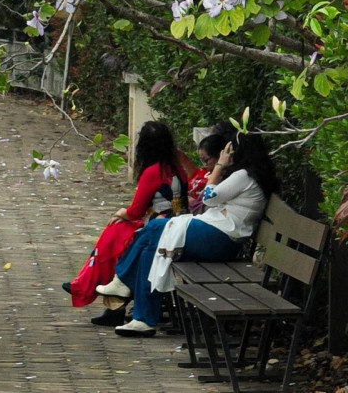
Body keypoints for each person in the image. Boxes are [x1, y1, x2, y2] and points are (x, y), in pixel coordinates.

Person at [97, 130, 278, 337]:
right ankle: (141, 317)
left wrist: (219, 166)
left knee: (155, 229)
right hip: (220, 236)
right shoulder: (251, 175)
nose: (225, 154)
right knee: (152, 247)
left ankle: (126, 287)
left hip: (219, 237)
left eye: (228, 150)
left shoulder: (243, 176)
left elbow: (208, 197)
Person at [64, 120, 187, 324]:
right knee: (117, 235)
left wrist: (120, 212)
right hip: (174, 224)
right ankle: (103, 295)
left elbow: (136, 211)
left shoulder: (153, 172)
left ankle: (96, 288)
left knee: (117, 236)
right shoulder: (176, 168)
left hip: (160, 228)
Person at [188, 133, 226, 214]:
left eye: (206, 160)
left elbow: (207, 206)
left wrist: (191, 201)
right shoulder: (215, 174)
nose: (204, 165)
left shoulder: (226, 178)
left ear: (220, 155)